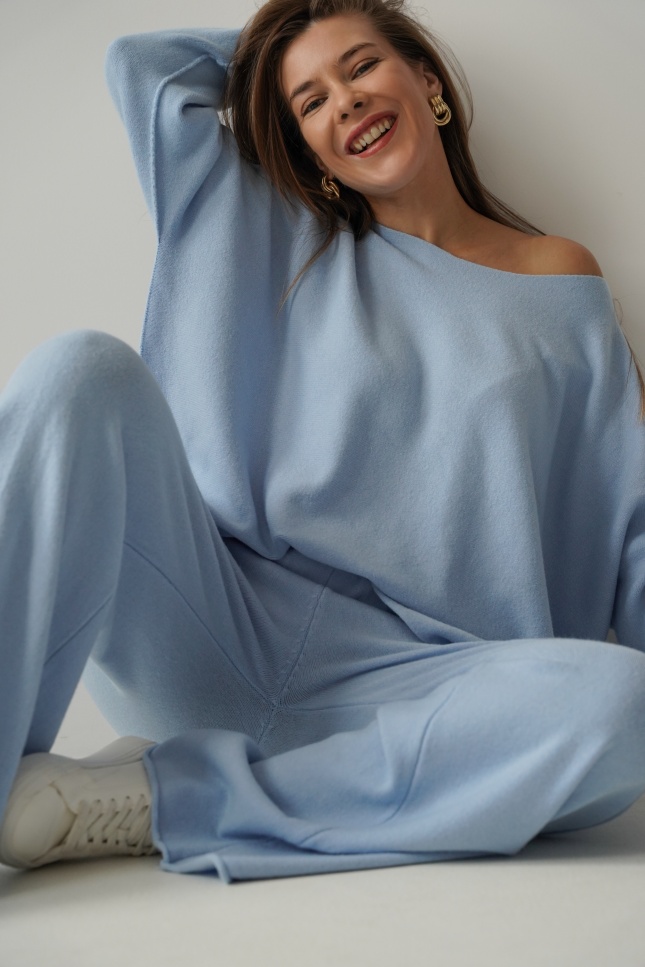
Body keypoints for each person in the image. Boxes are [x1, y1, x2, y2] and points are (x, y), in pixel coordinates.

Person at [1, 0, 645, 883]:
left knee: (622, 703)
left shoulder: (557, 275)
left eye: (362, 66)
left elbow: (627, 510)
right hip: (222, 630)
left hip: (431, 695)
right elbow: (143, 70)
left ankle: (163, 796)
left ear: (427, 79)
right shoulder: (277, 234)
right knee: (77, 370)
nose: (344, 100)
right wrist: (278, 58)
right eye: (310, 102)